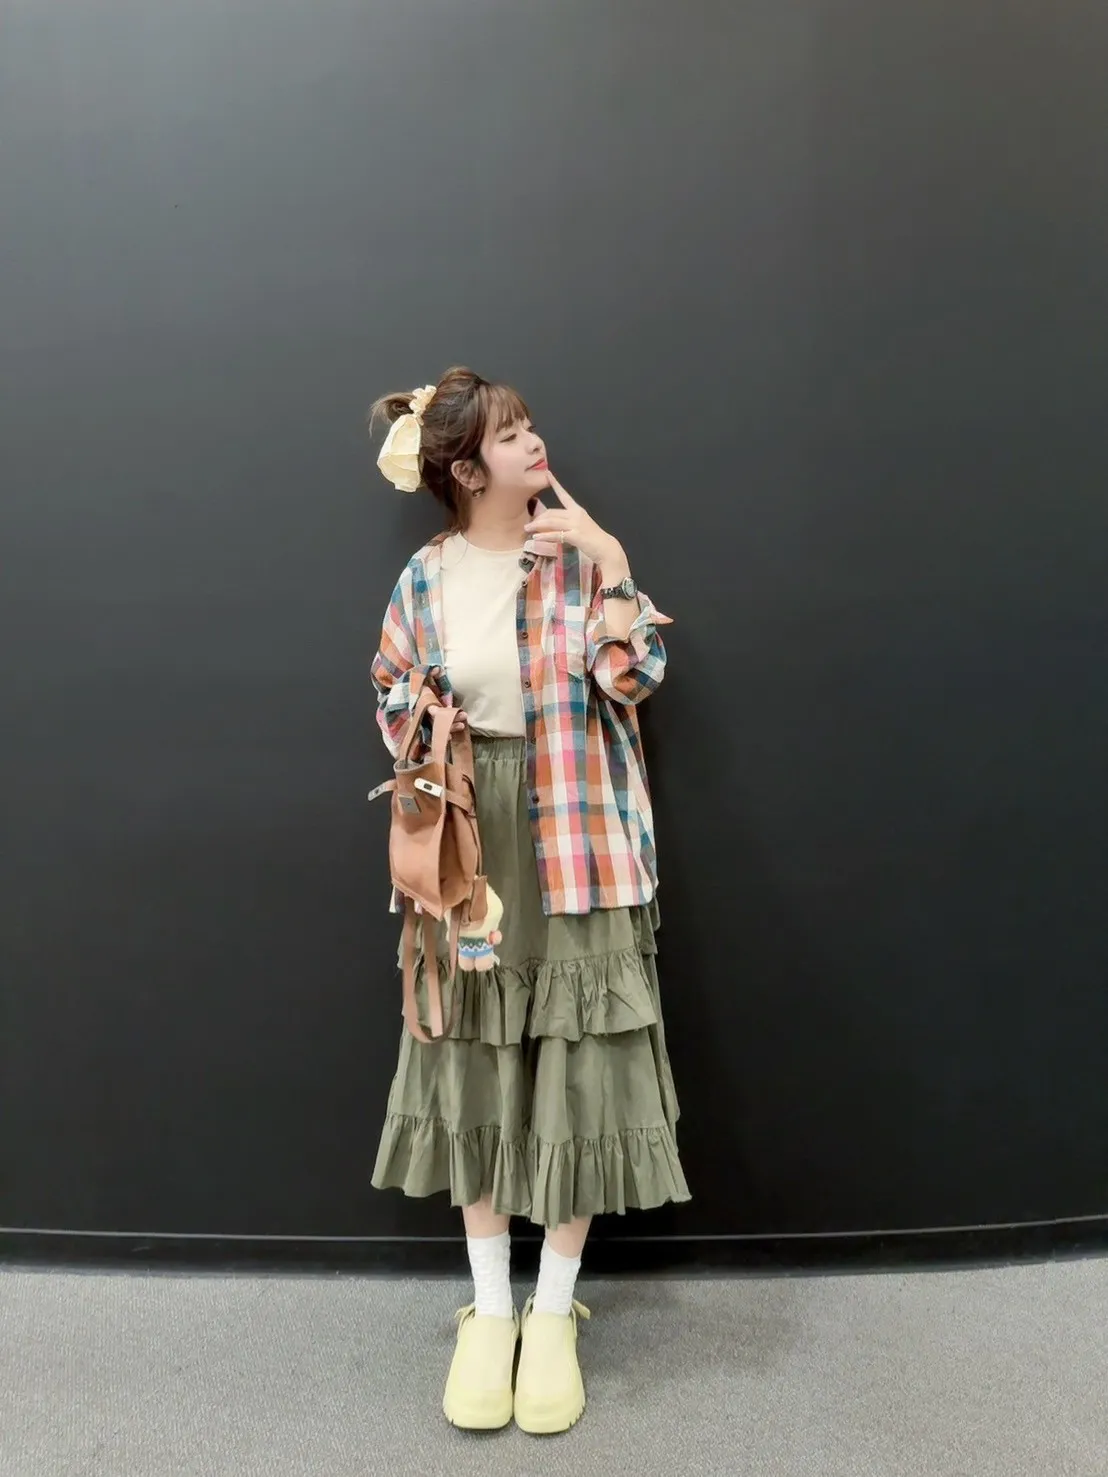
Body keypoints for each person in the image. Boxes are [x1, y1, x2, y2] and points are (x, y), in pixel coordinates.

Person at [367, 366, 689, 1436]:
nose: (533, 442)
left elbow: (632, 680)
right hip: (472, 837)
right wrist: (426, 715)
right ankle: (490, 1310)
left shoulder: (576, 561)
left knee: (580, 1055)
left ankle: (552, 1311)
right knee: (472, 1047)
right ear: (467, 470)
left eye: (530, 426)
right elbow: (388, 689)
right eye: (510, 435)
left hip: (577, 835)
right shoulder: (426, 575)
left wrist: (614, 561)